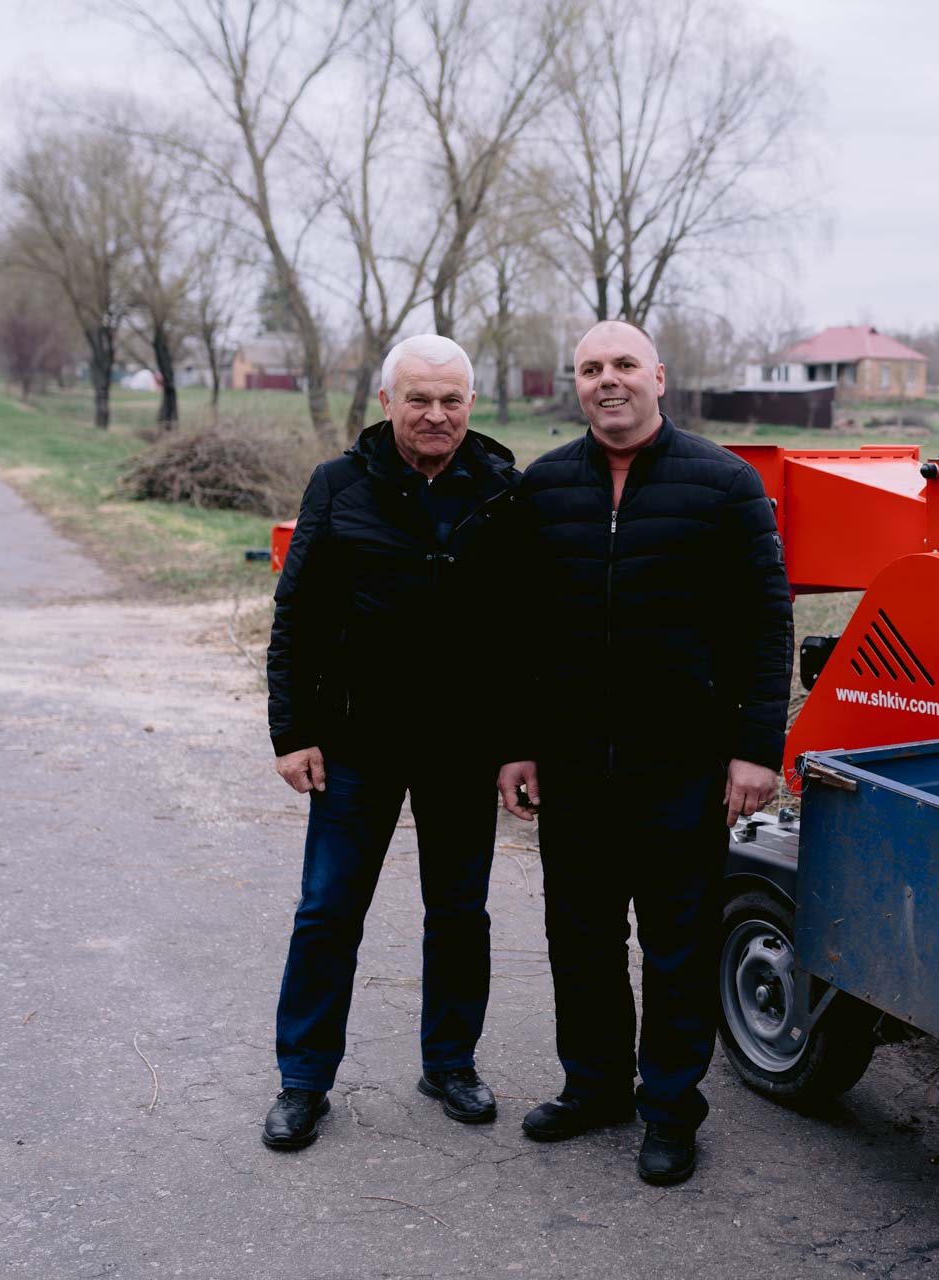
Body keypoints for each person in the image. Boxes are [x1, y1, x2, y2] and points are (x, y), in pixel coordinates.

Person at [498, 320, 791, 1186]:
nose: (608, 380)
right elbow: (517, 632)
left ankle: (669, 1108)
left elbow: (766, 625)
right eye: (591, 368)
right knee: (580, 937)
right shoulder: (544, 487)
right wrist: (517, 745)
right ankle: (594, 1088)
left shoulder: (725, 484)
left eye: (624, 364)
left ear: (658, 377)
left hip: (683, 765)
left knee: (677, 945)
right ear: (577, 384)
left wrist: (754, 750)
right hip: (575, 765)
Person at [261, 334, 523, 1151]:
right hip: (356, 742)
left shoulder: (503, 490)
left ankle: (450, 1063)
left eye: (450, 400)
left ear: (470, 404)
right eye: (419, 399)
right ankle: (304, 1081)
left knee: (460, 913)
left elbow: (525, 630)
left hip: (462, 746)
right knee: (328, 911)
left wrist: (518, 742)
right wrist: (292, 732)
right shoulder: (339, 485)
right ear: (386, 403)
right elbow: (296, 616)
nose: (435, 414)